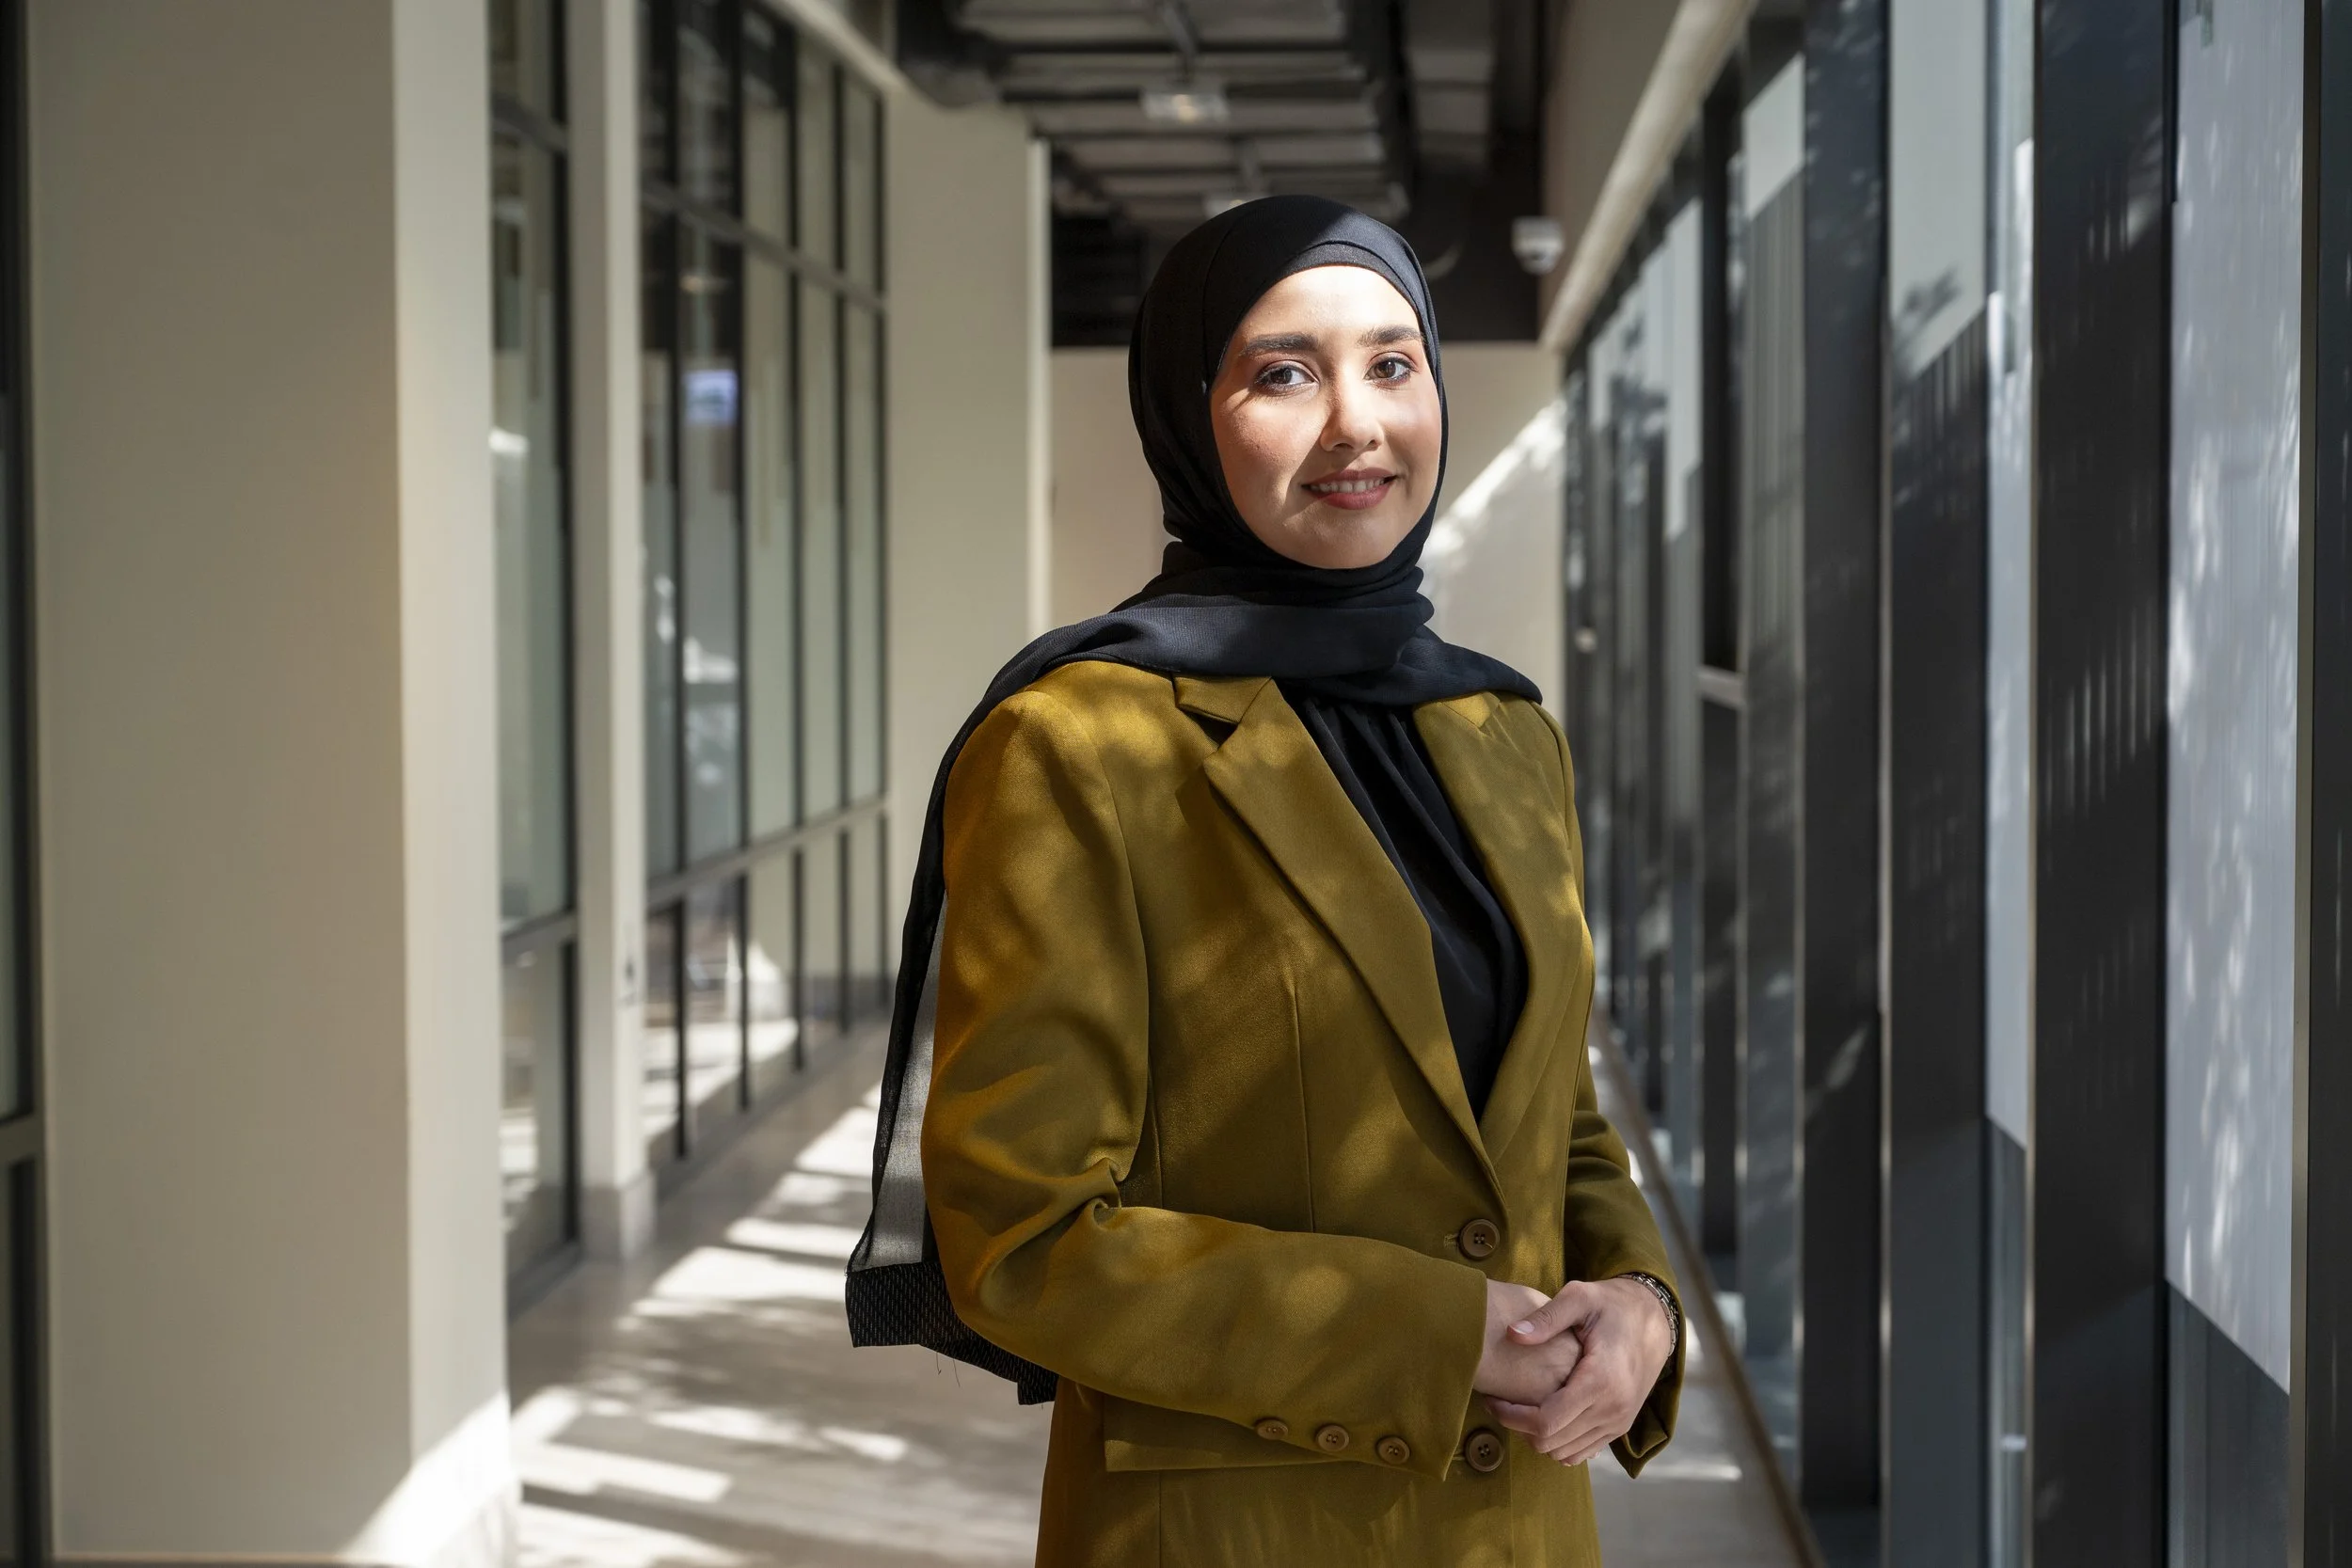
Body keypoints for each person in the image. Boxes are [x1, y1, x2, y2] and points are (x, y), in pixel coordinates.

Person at [847, 195, 1682, 1566]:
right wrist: (1428, 1333)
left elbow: (1556, 1116)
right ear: (1189, 415)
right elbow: (1021, 1233)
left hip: (1521, 1528)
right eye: (1285, 373)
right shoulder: (1077, 744)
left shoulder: (1503, 731)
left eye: (1393, 364)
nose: (1357, 423)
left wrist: (1643, 1296)